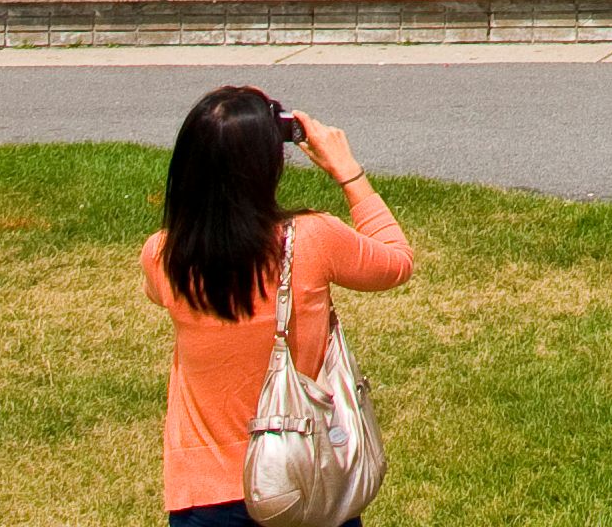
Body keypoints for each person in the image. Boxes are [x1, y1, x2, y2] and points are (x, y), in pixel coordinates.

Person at [143, 87, 414, 527]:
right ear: (268, 166)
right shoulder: (313, 239)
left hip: (205, 495)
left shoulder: (162, 257)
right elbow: (397, 261)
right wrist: (347, 171)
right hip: (306, 479)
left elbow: (160, 292)